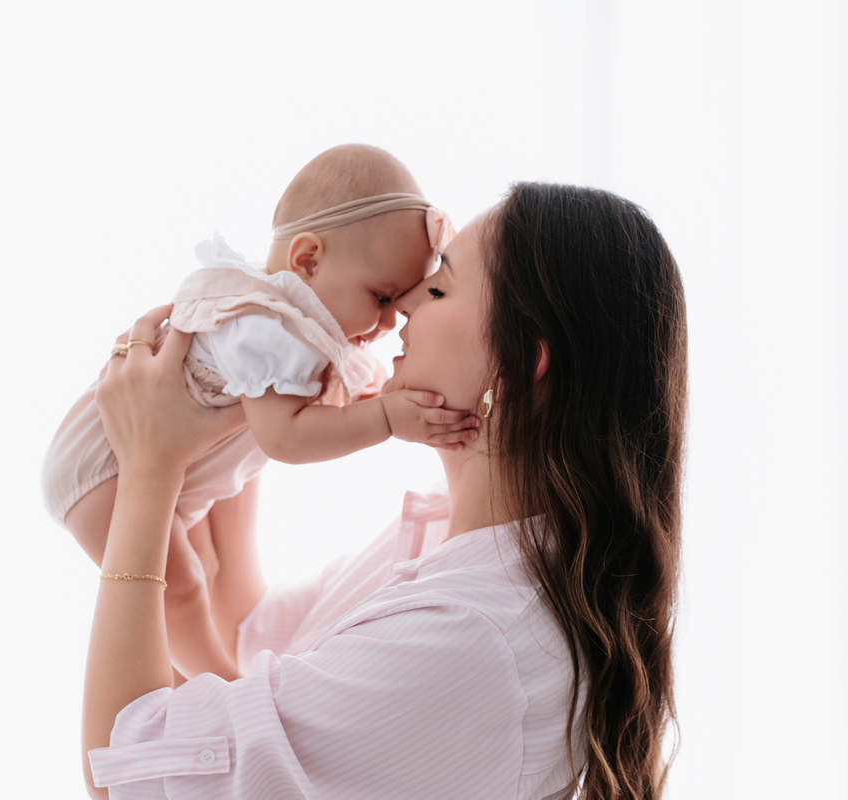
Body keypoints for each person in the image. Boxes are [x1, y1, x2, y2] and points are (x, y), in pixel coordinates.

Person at [81, 183, 688, 800]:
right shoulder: (447, 534)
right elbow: (251, 629)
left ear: (518, 361)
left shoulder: (468, 639)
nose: (402, 306)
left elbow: (126, 773)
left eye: (439, 287)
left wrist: (149, 470)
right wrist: (251, 374)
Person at [43, 144, 478, 679]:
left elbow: (320, 400)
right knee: (183, 588)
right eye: (383, 297)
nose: (393, 321)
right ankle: (223, 684)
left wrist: (367, 398)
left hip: (146, 465)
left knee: (203, 572)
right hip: (102, 469)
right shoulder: (269, 329)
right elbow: (285, 439)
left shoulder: (298, 321)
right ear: (308, 260)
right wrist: (386, 419)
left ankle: (185, 685)